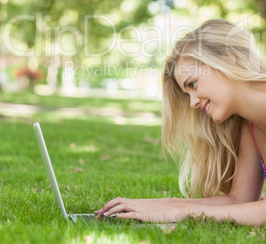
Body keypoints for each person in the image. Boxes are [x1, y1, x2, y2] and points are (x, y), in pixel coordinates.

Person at [95, 19, 266, 226]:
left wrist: (182, 212)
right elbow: (239, 200)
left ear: (228, 61)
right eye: (187, 94)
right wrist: (157, 206)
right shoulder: (252, 125)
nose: (193, 102)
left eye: (193, 84)